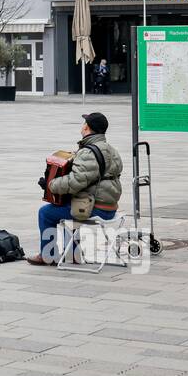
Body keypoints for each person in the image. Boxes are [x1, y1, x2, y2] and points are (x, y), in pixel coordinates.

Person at [27, 112, 123, 267]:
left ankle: (48, 255)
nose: (82, 125)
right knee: (68, 206)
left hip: (96, 209)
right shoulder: (112, 150)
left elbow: (76, 181)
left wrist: (51, 185)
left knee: (45, 212)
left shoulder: (89, 152)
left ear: (87, 127)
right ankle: (72, 254)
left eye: (84, 122)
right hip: (109, 206)